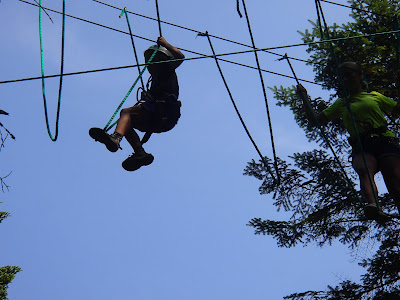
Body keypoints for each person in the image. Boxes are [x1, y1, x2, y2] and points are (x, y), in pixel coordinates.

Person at [297, 61, 400, 222]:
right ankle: (373, 205)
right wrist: (304, 97)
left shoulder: (375, 96)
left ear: (359, 75)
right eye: (343, 76)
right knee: (363, 169)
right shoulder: (341, 103)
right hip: (362, 145)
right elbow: (316, 120)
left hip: (384, 140)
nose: (346, 78)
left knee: (394, 180)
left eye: (349, 74)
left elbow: (397, 109)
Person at [89, 37, 185, 171]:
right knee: (127, 122)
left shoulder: (167, 69)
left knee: (126, 113)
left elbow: (180, 57)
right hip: (161, 119)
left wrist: (165, 44)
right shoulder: (156, 79)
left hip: (163, 113)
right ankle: (140, 153)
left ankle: (116, 138)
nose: (150, 65)